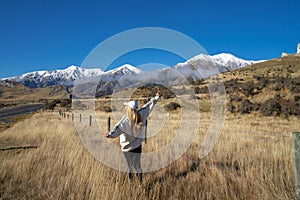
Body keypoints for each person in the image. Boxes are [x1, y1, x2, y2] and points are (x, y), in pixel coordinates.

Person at [103, 92, 160, 186]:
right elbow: (149, 105)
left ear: (128, 108)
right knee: (138, 166)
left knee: (130, 167)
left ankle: (130, 186)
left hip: (127, 148)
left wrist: (109, 135)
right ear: (136, 108)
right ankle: (140, 184)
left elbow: (116, 130)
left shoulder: (124, 121)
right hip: (137, 145)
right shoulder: (141, 114)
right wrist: (157, 97)